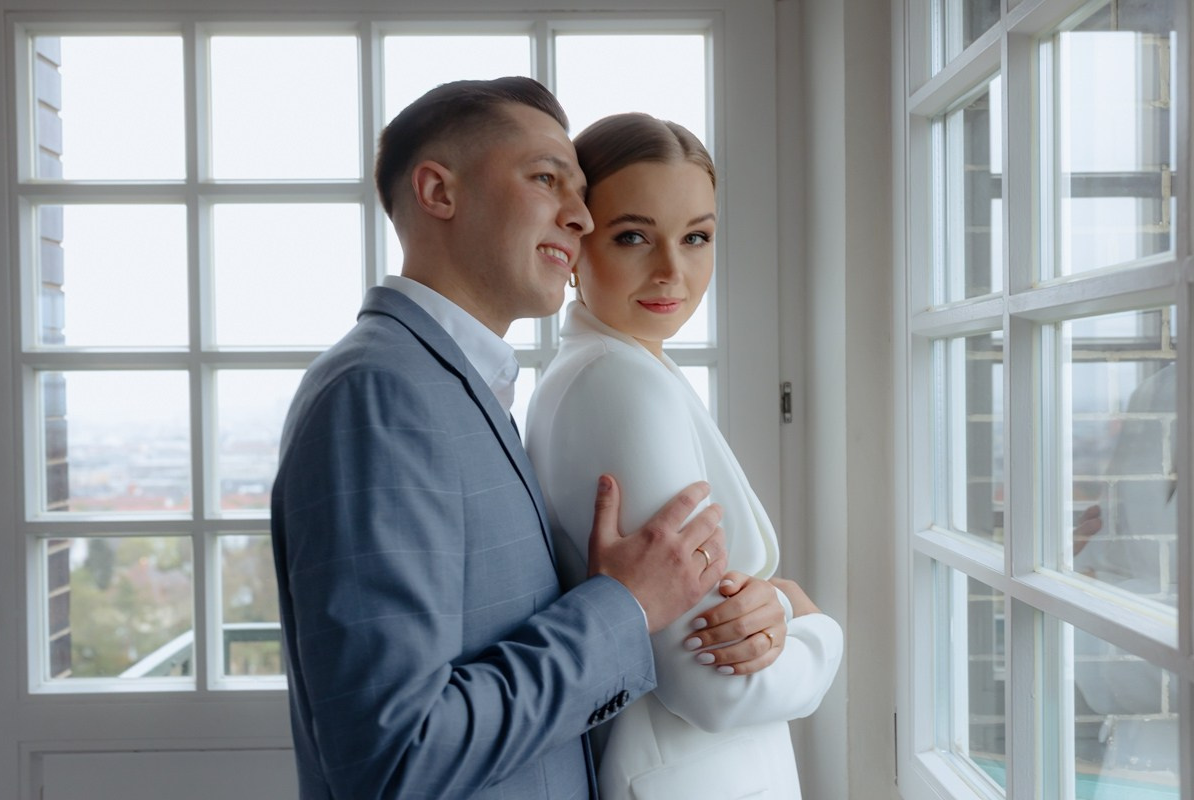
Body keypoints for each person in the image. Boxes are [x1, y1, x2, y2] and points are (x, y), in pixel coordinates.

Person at [270, 78, 789, 799]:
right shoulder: (382, 394)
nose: (579, 218)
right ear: (437, 192)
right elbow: (392, 756)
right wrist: (628, 608)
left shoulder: (455, 385)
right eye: (548, 179)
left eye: (580, 194)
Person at [525, 113, 844, 799]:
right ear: (577, 241)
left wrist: (772, 611)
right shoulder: (620, 384)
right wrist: (816, 630)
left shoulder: (602, 369)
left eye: (697, 237)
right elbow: (712, 687)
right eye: (634, 236)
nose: (674, 270)